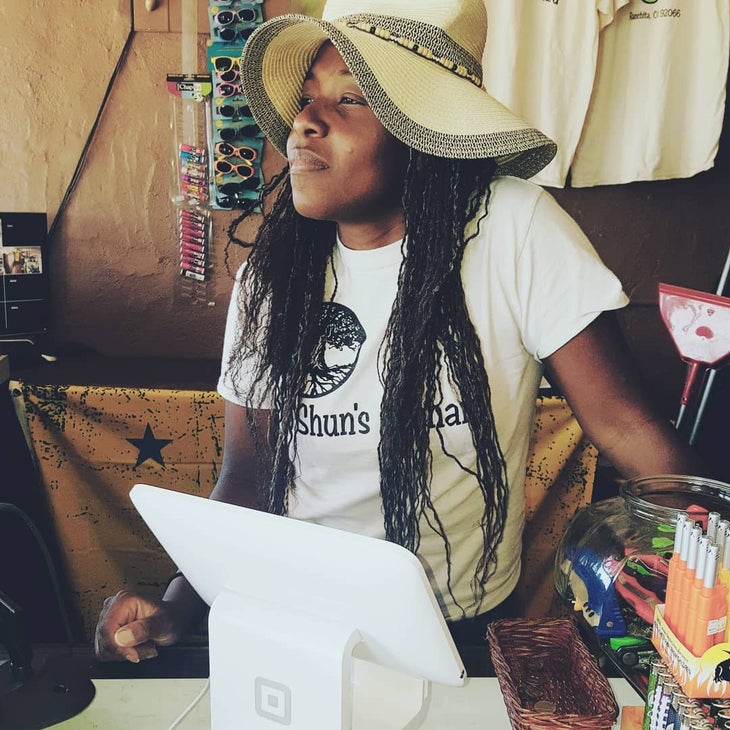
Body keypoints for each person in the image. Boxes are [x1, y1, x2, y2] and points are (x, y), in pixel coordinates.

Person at [95, 0, 703, 673]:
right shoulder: (274, 277)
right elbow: (250, 472)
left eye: (350, 99)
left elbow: (626, 426)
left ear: (426, 131)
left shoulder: (513, 229)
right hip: (293, 618)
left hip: (455, 631)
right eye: (305, 99)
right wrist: (181, 603)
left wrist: (716, 567)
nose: (304, 122)